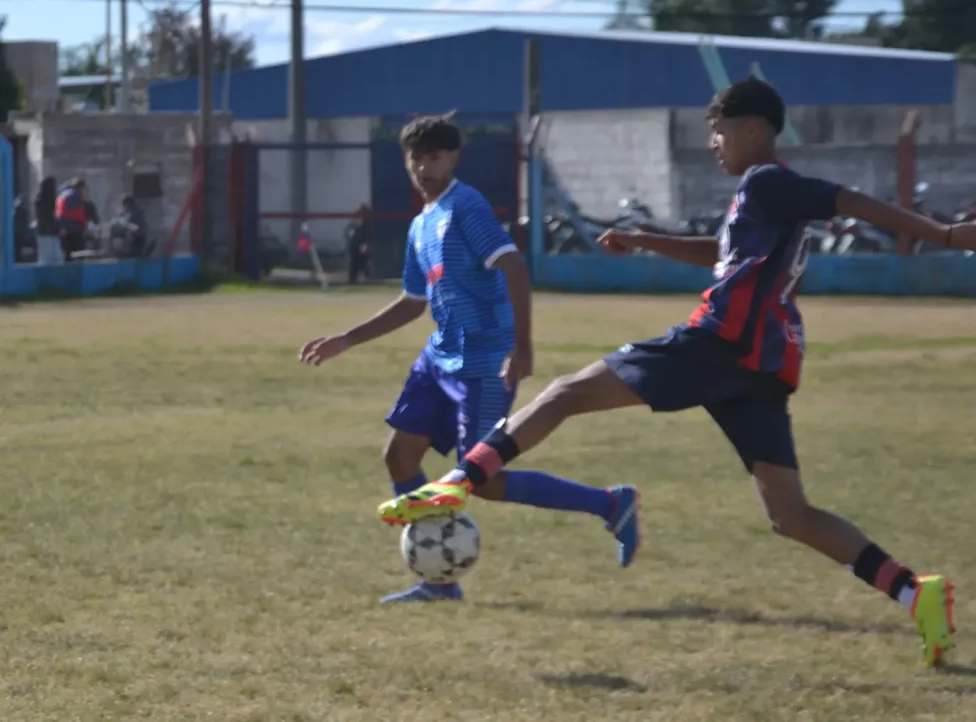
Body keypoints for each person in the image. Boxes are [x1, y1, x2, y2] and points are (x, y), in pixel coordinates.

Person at [376, 79, 976, 666]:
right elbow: (719, 254)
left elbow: (847, 199)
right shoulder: (756, 196)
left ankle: (460, 479)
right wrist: (644, 240)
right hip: (759, 366)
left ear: (751, 129)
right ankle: (913, 591)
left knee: (562, 393)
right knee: (791, 515)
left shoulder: (769, 180)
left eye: (718, 133)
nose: (714, 144)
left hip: (718, 344)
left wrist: (945, 234)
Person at [299, 113, 639, 603]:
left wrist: (521, 347)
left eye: (434, 157)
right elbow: (414, 302)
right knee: (400, 454)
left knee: (485, 480)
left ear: (453, 158)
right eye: (416, 158)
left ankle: (610, 503)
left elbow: (514, 266)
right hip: (440, 357)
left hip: (485, 362)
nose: (424, 167)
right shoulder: (421, 224)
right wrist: (346, 339)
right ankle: (440, 582)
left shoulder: (466, 208)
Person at [56, 178, 89, 261]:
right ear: (80, 187)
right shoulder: (74, 195)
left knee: (67, 254)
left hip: (64, 228)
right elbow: (72, 208)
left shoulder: (62, 194)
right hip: (73, 228)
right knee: (78, 254)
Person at [34, 176, 62, 265]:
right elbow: (48, 217)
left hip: (46, 233)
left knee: (50, 258)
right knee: (50, 259)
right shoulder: (46, 202)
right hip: (47, 234)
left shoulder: (41, 200)